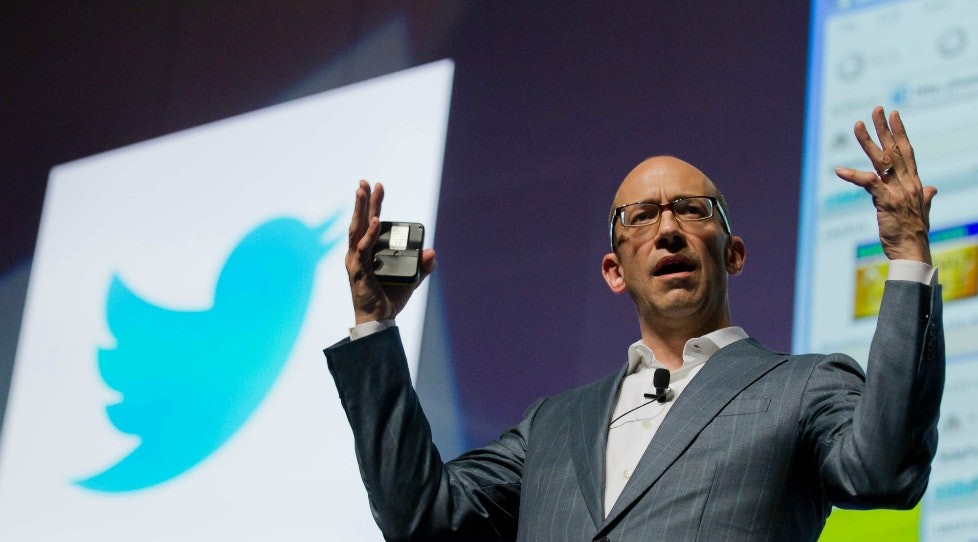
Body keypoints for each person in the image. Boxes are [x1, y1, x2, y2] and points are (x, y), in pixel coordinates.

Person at [324, 106, 944, 541]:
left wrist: (909, 255)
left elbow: (885, 469)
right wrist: (374, 326)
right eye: (640, 217)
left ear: (733, 253)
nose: (668, 228)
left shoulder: (804, 387)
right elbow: (420, 517)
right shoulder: (551, 427)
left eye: (692, 211)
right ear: (614, 272)